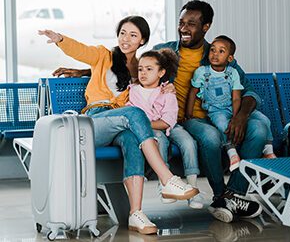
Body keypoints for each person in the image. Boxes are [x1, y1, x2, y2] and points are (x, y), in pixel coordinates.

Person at [51, 0, 266, 224]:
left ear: (206, 27)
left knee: (259, 128)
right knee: (197, 134)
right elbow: (115, 64)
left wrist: (241, 115)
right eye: (181, 22)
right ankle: (175, 181)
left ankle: (140, 213)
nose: (183, 28)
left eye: (191, 24)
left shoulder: (215, 53)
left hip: (208, 114)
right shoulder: (165, 51)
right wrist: (85, 68)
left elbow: (133, 70)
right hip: (181, 119)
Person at [38, 15, 199, 235]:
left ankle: (136, 214)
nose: (126, 39)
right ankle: (167, 177)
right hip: (95, 121)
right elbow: (82, 51)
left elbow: (150, 84)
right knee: (134, 113)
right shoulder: (104, 55)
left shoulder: (140, 68)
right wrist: (59, 39)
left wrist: (165, 88)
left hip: (121, 124)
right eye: (123, 33)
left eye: (133, 35)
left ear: (142, 41)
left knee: (132, 140)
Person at [185, 35, 276, 173]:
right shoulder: (202, 72)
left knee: (264, 120)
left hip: (234, 107)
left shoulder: (233, 73)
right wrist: (188, 113)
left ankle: (268, 151)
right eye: (212, 50)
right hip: (216, 110)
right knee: (223, 124)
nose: (215, 54)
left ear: (230, 58)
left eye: (221, 51)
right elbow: (193, 92)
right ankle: (232, 153)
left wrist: (236, 116)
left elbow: (236, 98)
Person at [126, 49, 204, 209]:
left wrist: (143, 123)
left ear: (161, 72)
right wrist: (143, 125)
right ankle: (165, 183)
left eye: (149, 69)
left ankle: (192, 186)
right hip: (152, 130)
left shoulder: (167, 91)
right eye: (140, 69)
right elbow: (131, 113)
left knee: (188, 142)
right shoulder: (133, 91)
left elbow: (168, 120)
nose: (143, 73)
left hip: (168, 126)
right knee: (159, 140)